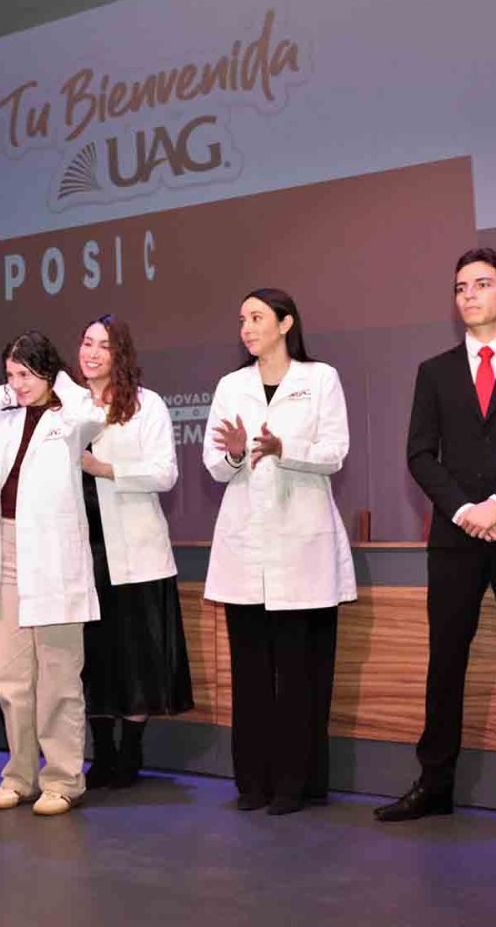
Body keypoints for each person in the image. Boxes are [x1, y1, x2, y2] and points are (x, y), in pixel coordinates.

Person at [375, 248, 496, 846]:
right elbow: (419, 454)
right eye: (461, 286)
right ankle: (434, 784)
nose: (469, 295)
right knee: (445, 661)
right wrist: (465, 511)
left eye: (482, 284)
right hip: (455, 538)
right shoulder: (434, 371)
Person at [0, 330, 106, 816]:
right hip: (4, 557)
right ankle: (20, 776)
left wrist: (57, 383)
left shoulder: (68, 418)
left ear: (49, 372)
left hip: (52, 563)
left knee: (58, 679)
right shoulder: (4, 420)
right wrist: (5, 393)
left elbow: (92, 414)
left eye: (27, 374)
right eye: (11, 375)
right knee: (11, 679)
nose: (18, 384)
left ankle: (64, 780)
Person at [202, 289, 355, 816]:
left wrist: (285, 449)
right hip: (246, 546)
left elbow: (335, 452)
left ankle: (296, 784)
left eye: (257, 317)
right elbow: (214, 465)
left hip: (303, 544)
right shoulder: (231, 386)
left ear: (286, 323)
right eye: (242, 319)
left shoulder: (320, 378)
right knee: (250, 674)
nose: (247, 327)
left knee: (298, 674)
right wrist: (235, 453)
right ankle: (253, 783)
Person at [75, 314, 192, 788]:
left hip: (135, 554)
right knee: (93, 660)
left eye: (103, 345)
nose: (92, 353)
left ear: (120, 354)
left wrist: (105, 469)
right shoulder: (67, 406)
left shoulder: (147, 404)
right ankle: (101, 753)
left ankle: (131, 752)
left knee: (136, 660)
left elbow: (165, 473)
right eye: (86, 343)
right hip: (83, 552)